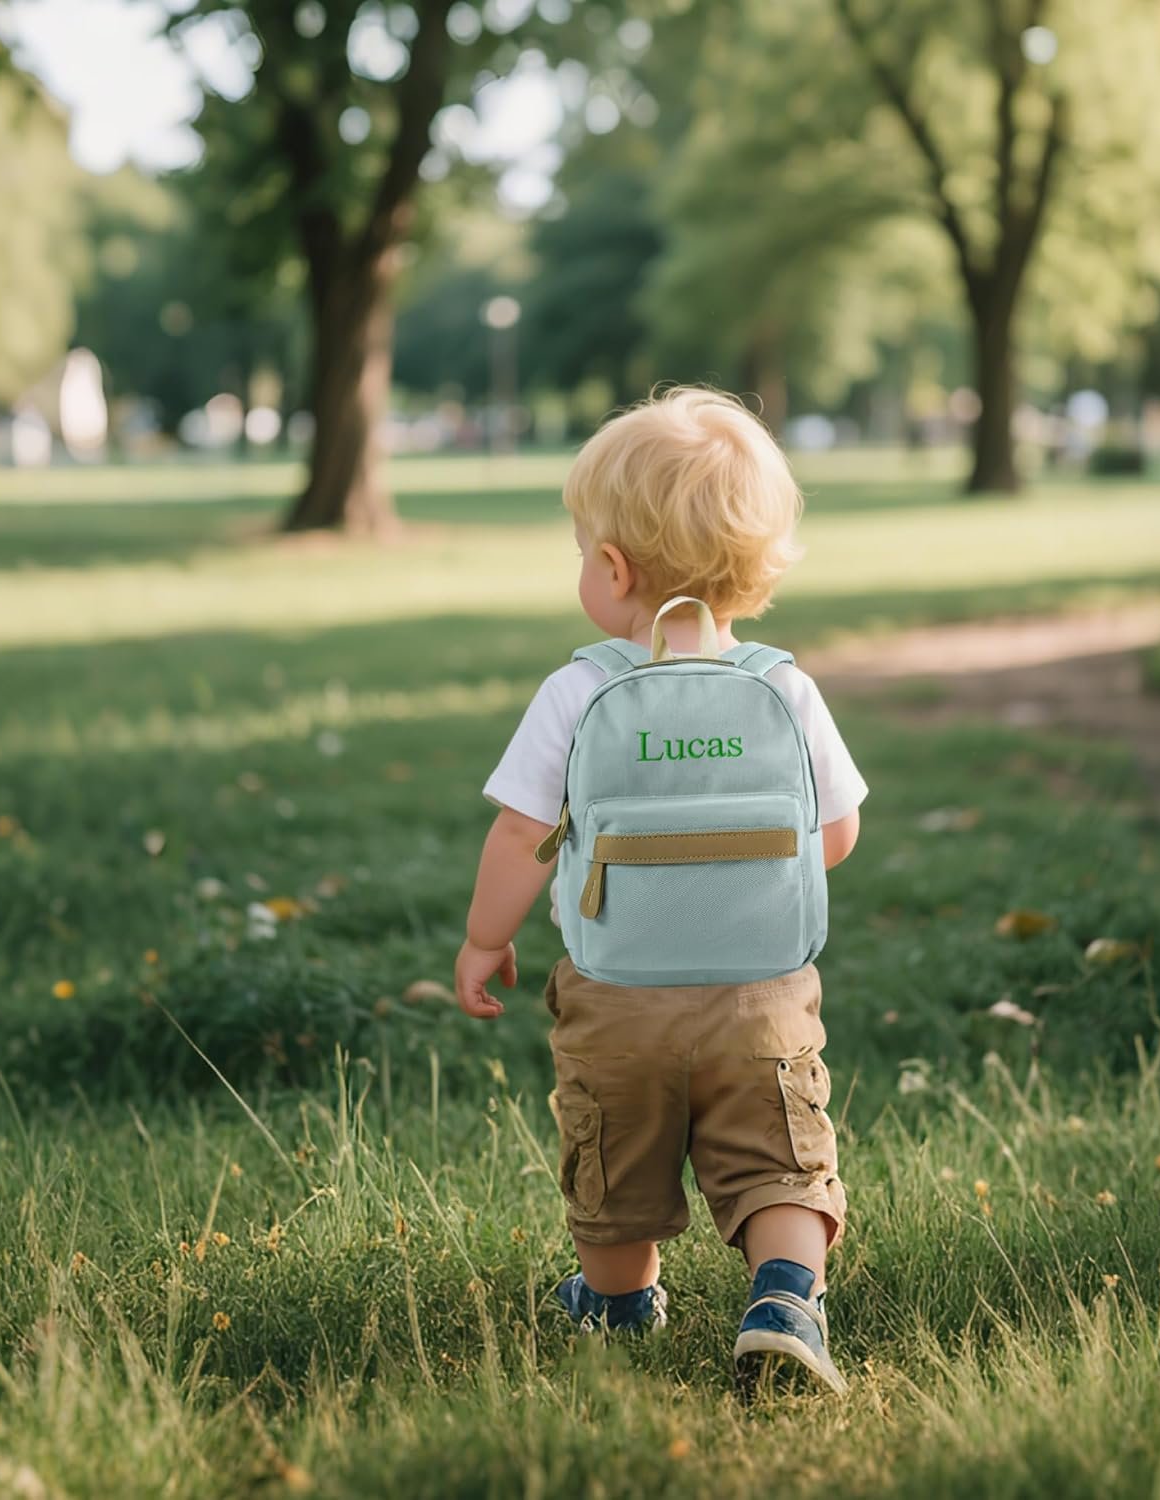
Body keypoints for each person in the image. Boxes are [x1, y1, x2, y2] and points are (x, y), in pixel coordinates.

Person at [454, 387, 867, 1394]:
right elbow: (837, 834)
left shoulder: (580, 690)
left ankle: (620, 1301)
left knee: (616, 1159)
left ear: (613, 568)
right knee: (778, 1156)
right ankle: (785, 1298)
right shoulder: (784, 687)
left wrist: (483, 940)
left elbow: (520, 832)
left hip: (618, 994)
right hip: (762, 993)